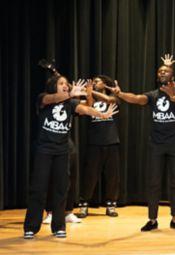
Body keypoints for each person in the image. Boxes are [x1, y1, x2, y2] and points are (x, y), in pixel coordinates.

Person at [24, 76, 117, 239]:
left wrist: (101, 114)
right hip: (44, 150)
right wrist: (70, 94)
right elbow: (52, 98)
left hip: (62, 152)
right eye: (61, 84)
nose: (65, 86)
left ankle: (59, 226)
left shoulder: (71, 104)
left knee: (61, 189)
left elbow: (86, 109)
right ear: (53, 86)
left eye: (66, 84)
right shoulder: (43, 98)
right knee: (38, 189)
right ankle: (31, 227)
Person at [109, 54, 175, 231]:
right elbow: (137, 99)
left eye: (166, 70)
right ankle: (152, 220)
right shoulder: (152, 96)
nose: (162, 72)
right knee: (154, 182)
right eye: (160, 71)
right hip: (156, 144)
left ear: (172, 76)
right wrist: (120, 94)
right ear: (157, 76)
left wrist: (173, 94)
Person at [77, 75, 121, 218]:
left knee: (112, 176)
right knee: (90, 175)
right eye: (93, 82)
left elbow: (108, 100)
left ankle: (111, 204)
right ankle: (84, 204)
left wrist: (89, 90)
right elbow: (87, 108)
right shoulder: (89, 98)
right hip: (94, 142)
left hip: (111, 141)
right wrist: (88, 93)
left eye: (97, 81)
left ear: (105, 84)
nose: (94, 83)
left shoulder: (114, 97)